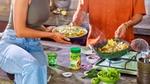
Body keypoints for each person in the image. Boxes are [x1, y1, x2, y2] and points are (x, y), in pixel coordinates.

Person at [0, 0, 70, 84]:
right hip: (12, 41)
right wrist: (51, 35)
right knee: (31, 67)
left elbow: (33, 23)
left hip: (33, 43)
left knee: (41, 71)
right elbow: (20, 31)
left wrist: (48, 31)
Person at [71, 0, 146, 45]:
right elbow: (81, 11)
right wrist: (73, 25)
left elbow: (138, 15)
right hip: (95, 46)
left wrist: (126, 25)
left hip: (123, 45)